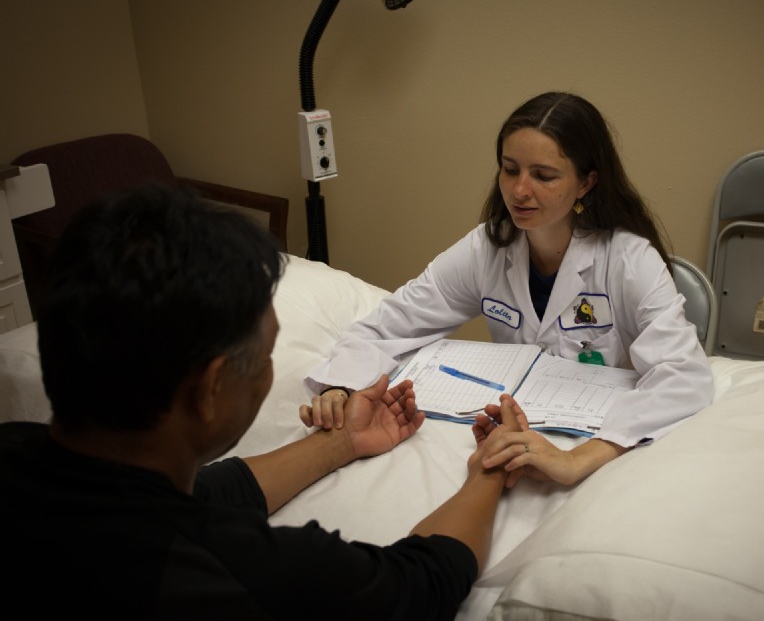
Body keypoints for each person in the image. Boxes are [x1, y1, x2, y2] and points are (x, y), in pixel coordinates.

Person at [0, 183, 523, 619]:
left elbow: (206, 492)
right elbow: (422, 581)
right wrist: (491, 467)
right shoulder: (238, 571)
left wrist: (339, 444)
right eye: (266, 354)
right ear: (210, 390)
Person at [303, 91, 714, 488]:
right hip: (505, 438)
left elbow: (684, 376)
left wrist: (579, 459)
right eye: (510, 168)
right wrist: (340, 386)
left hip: (605, 443)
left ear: (586, 183)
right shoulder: (488, 247)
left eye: (543, 175)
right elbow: (390, 325)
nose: (519, 190)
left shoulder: (628, 259)